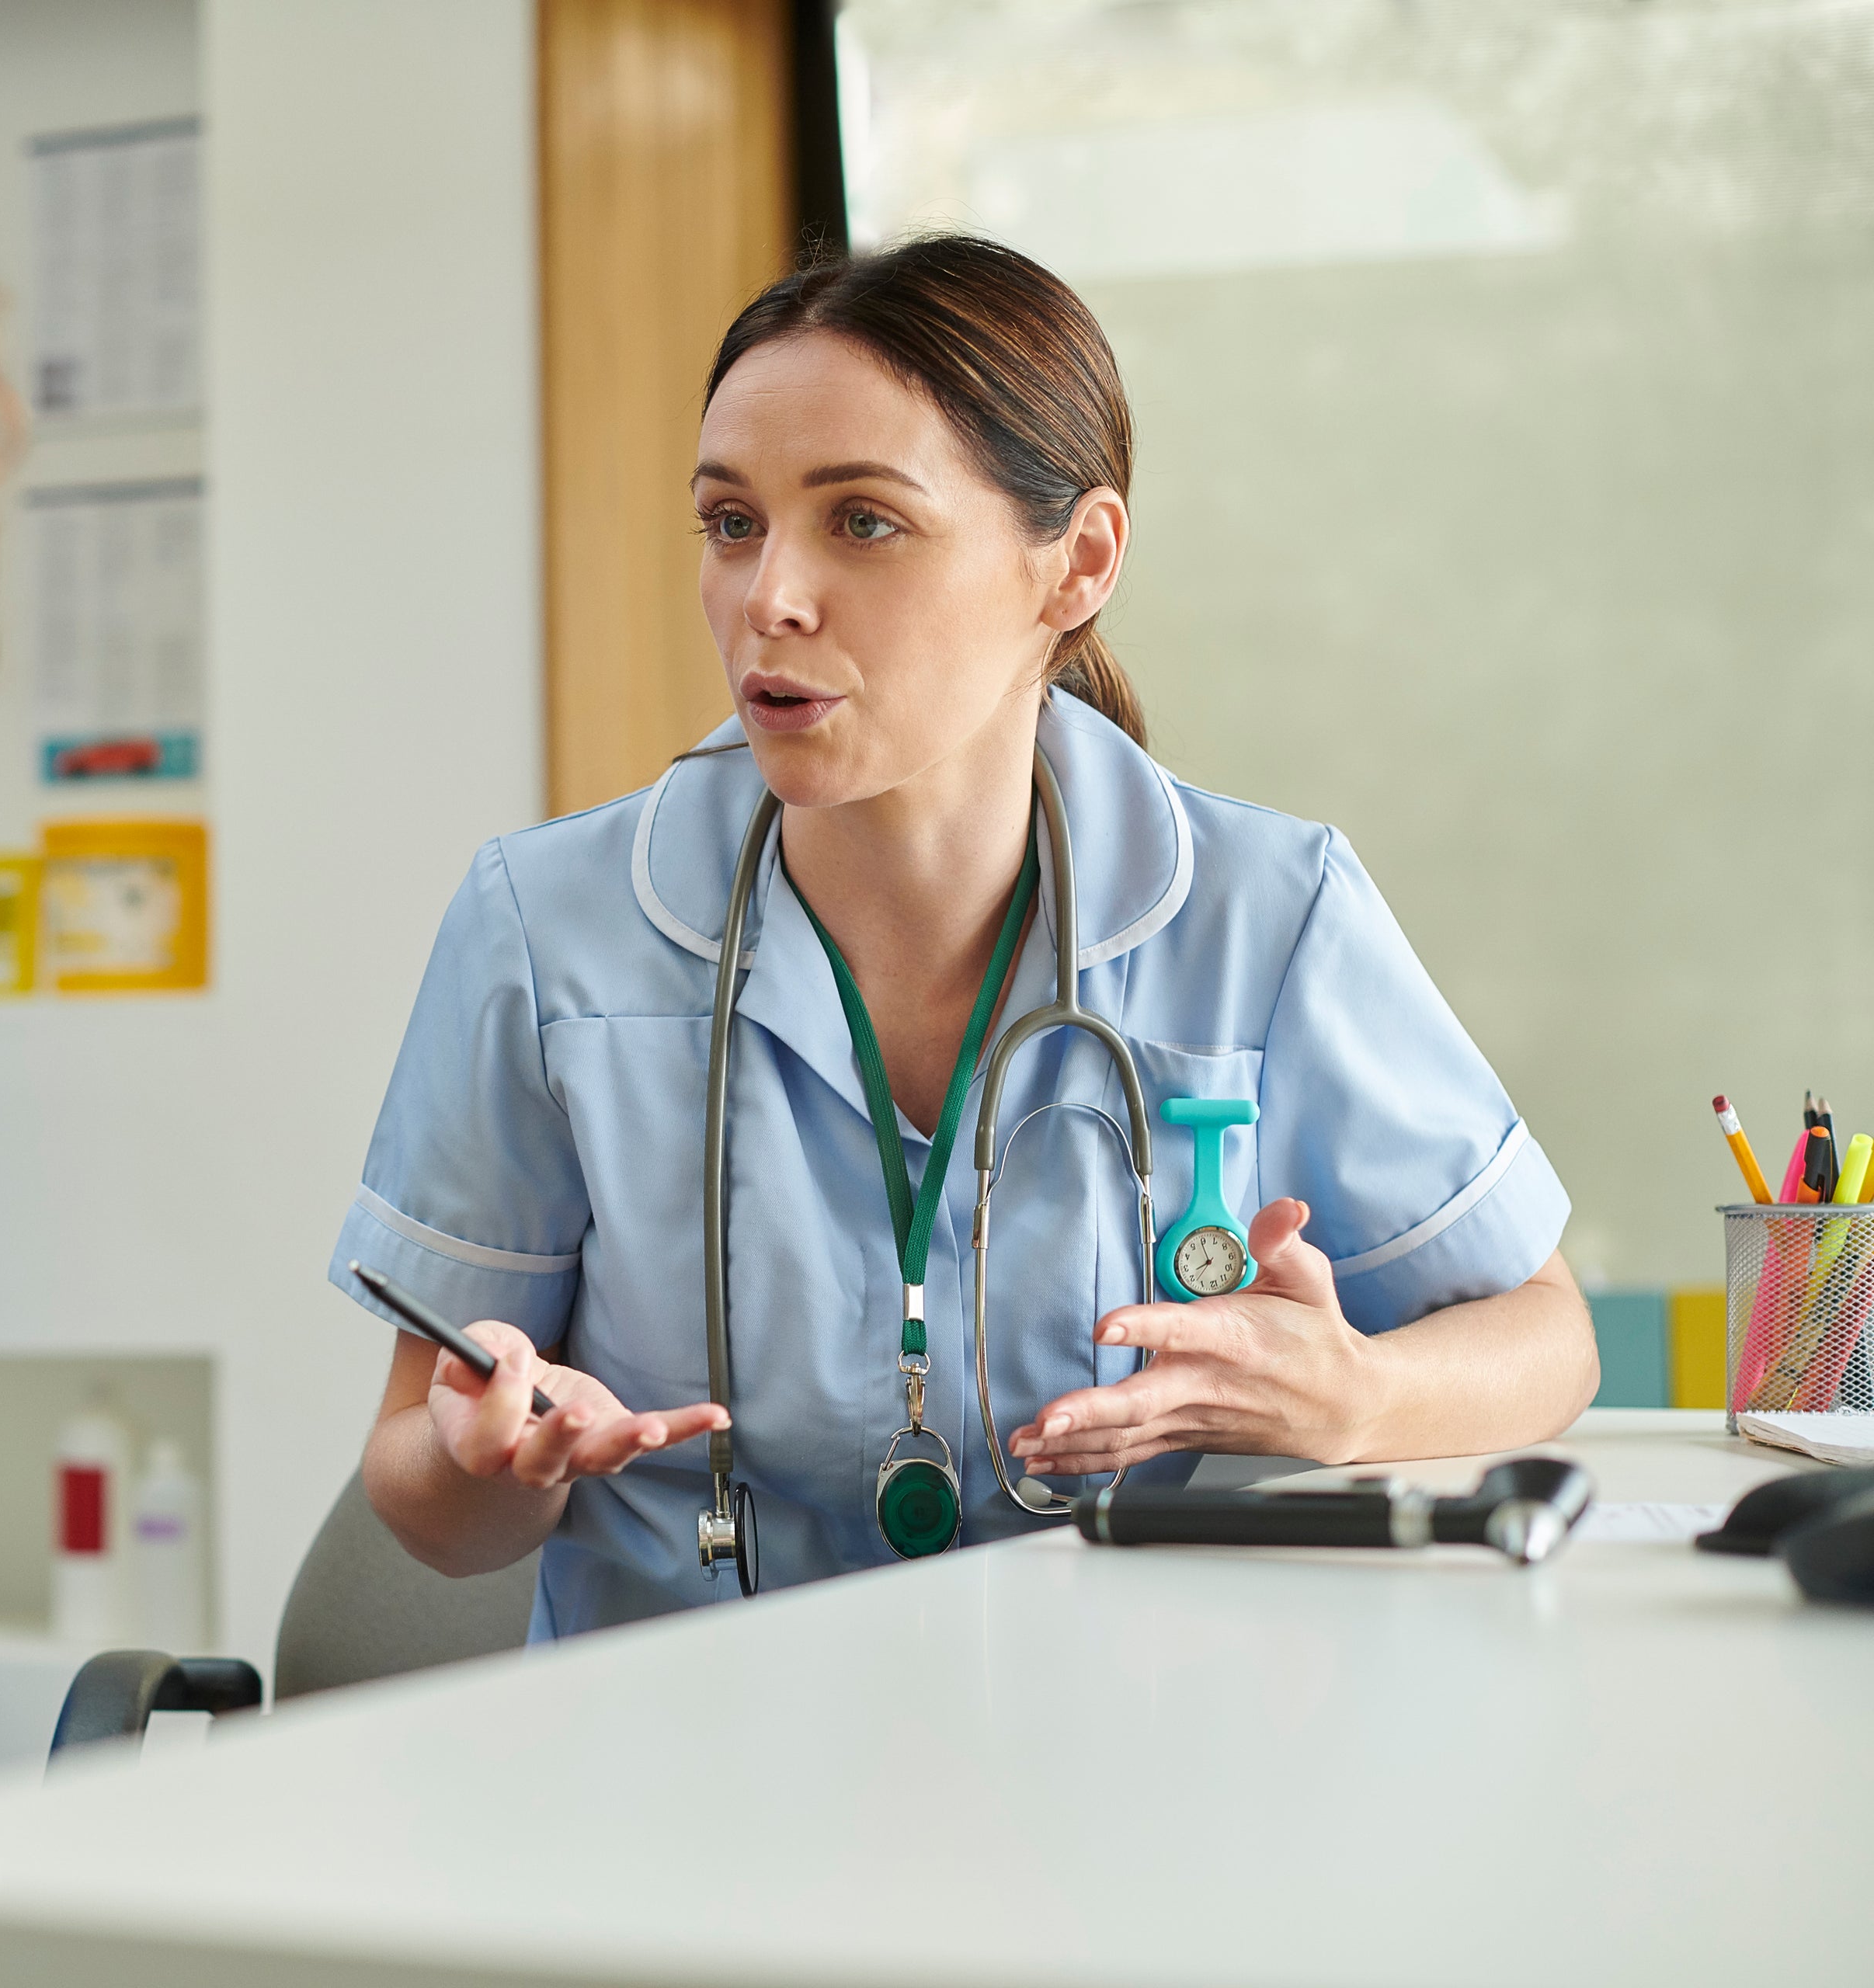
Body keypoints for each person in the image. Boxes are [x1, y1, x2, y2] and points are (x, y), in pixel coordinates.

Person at [341, 236, 1596, 1638]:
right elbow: (425, 1496)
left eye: (863, 522)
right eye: (731, 523)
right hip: (690, 1779)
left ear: (1078, 563)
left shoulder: (1267, 913)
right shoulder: (545, 928)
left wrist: (1353, 1397)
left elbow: (1547, 1337)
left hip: (1130, 1753)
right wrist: (489, 1461)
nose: (770, 598)